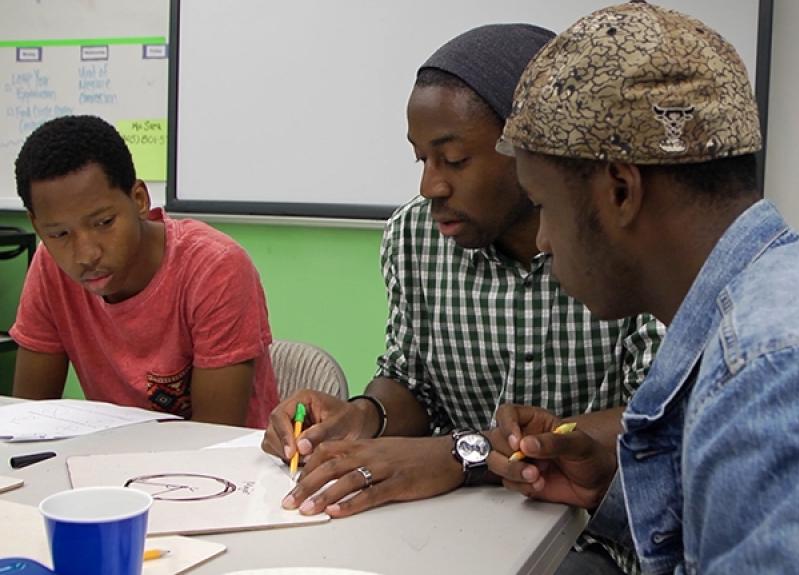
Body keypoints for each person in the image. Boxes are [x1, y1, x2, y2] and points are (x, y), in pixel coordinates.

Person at [491, 2, 799, 573]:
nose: (542, 241)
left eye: (543, 207)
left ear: (620, 192)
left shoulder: (784, 378)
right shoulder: (796, 298)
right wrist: (612, 485)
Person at [262, 23, 663, 573]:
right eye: (421, 159)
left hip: (597, 534)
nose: (431, 186)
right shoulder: (414, 235)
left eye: (453, 160)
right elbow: (410, 378)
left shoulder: (618, 244)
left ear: (533, 153)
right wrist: (364, 415)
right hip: (449, 523)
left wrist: (461, 454)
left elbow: (656, 419)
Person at [11, 115, 278, 428]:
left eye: (103, 223)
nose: (86, 255)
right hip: (108, 464)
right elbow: (30, 421)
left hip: (223, 469)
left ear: (138, 199)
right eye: (59, 234)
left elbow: (213, 438)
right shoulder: (50, 268)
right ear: (37, 226)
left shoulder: (215, 269)